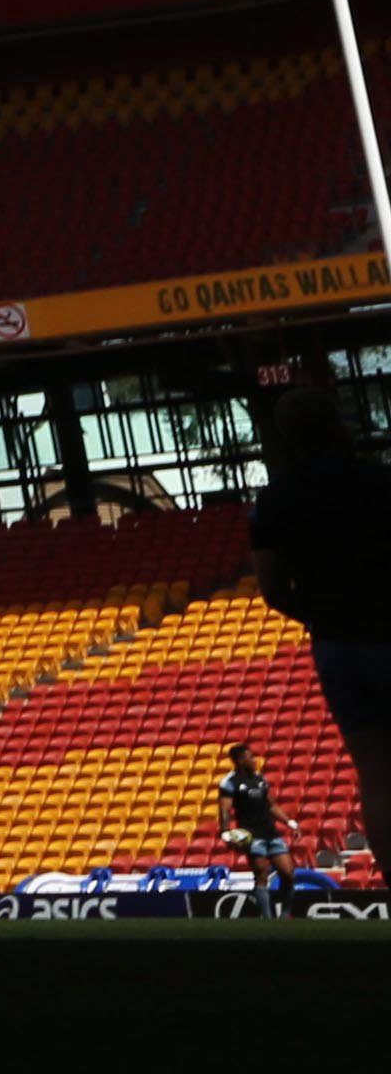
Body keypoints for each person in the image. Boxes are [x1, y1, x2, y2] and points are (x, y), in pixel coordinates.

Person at [248, 381, 390, 888]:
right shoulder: (378, 482)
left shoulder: (277, 500)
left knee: (375, 772)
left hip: (336, 646)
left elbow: (271, 587)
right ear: (337, 425)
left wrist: (319, 614)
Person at [217, 743, 291, 911]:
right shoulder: (229, 782)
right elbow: (224, 809)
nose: (254, 760)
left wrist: (289, 822)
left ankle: (285, 915)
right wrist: (225, 831)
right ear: (240, 760)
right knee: (261, 874)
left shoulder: (259, 779)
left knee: (288, 873)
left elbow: (271, 805)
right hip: (252, 835)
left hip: (271, 833)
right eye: (250, 757)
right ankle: (267, 918)